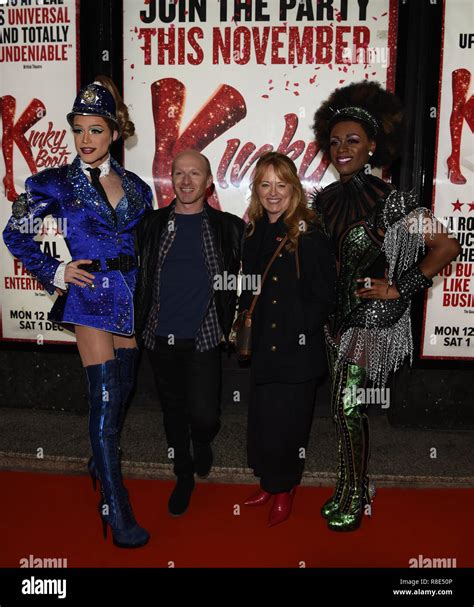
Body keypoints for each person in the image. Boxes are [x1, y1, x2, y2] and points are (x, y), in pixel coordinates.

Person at [3, 76, 153, 548]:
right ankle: (115, 504)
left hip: (130, 297)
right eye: (79, 130)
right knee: (106, 403)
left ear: (114, 133)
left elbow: (146, 246)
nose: (85, 139)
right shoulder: (53, 183)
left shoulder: (137, 187)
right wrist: (57, 270)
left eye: (95, 130)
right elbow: (16, 233)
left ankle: (99, 460)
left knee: (123, 391)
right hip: (89, 297)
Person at [312, 80, 462, 532]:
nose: (342, 149)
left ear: (373, 146)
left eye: (353, 140)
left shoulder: (392, 201)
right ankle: (350, 483)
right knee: (343, 409)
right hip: (332, 322)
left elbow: (446, 245)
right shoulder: (325, 199)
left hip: (368, 321)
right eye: (335, 141)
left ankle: (355, 495)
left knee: (346, 407)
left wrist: (398, 287)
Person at [134, 149, 245, 516]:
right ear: (170, 180)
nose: (185, 181)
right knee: (173, 410)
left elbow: (250, 275)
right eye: (179, 173)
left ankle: (202, 440)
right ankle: (183, 474)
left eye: (194, 174)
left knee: (204, 415)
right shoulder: (151, 225)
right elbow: (138, 276)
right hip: (159, 335)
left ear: (208, 182)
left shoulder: (228, 227)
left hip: (205, 335)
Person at [237, 151, 336, 527]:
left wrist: (298, 329)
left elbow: (324, 295)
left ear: (294, 188)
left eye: (281, 184)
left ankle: (285, 489)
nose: (273, 192)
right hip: (264, 344)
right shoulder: (254, 230)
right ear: (256, 189)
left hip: (297, 349)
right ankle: (268, 481)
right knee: (263, 420)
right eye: (265, 184)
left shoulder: (307, 231)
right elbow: (249, 284)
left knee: (290, 424)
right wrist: (244, 314)